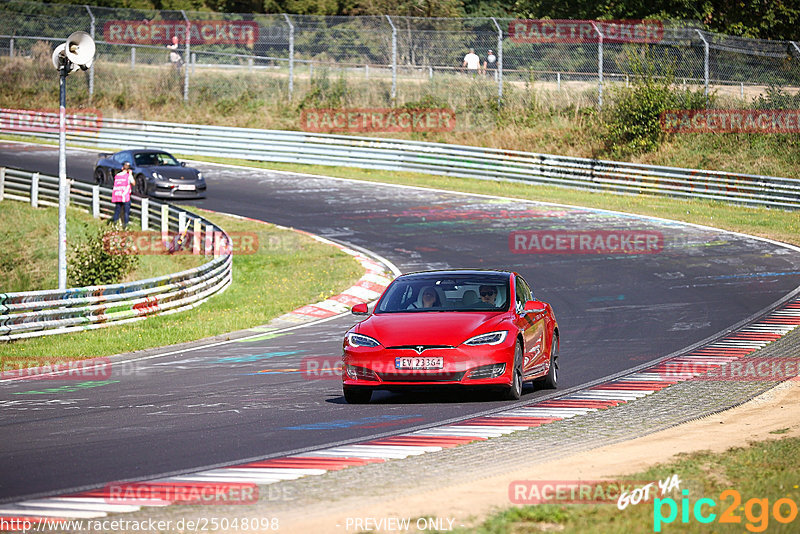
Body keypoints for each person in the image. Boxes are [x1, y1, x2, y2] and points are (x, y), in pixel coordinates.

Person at [111, 161, 136, 227]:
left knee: (117, 211)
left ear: (122, 168)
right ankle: (125, 226)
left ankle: (115, 225)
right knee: (126, 212)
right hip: (125, 196)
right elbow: (133, 183)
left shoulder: (117, 175)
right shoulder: (128, 176)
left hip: (117, 195)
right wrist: (130, 174)